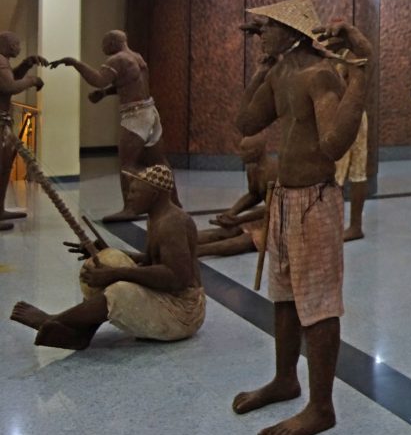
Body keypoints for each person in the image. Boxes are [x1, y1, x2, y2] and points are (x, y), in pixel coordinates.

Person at [231, 0, 369, 435]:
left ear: (290, 31)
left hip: (314, 201)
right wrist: (261, 70)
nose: (260, 34)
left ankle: (322, 407)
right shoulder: (282, 72)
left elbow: (333, 146)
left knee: (319, 304)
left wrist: (361, 74)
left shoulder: (319, 74)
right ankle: (285, 379)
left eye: (266, 27)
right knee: (285, 295)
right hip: (284, 199)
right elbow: (247, 122)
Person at [9, 165, 204, 350]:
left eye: (135, 192)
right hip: (169, 297)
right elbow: (153, 261)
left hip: (184, 314)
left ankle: (55, 320)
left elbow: (177, 278)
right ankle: (82, 331)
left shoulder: (172, 223)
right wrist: (108, 253)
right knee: (108, 259)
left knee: (120, 290)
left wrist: (115, 274)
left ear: (154, 195)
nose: (129, 197)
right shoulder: (158, 217)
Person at [49, 30, 177, 222]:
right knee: (160, 162)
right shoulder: (137, 57)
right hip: (150, 112)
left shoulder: (117, 59)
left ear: (112, 42)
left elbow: (98, 80)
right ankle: (174, 202)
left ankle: (130, 208)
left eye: (104, 44)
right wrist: (105, 94)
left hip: (135, 117)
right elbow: (130, 83)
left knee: (127, 164)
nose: (103, 49)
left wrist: (75, 63)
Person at [197, 134, 277, 258]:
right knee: (229, 231)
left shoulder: (272, 171)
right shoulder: (252, 168)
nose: (240, 153)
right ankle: (183, 241)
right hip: (265, 216)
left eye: (244, 150)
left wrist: (240, 219)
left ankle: (197, 251)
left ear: (257, 151)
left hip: (278, 221)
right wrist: (231, 213)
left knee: (245, 240)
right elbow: (254, 195)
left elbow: (274, 208)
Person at [0, 31, 46, 231]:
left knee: (4, 167)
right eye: (16, 43)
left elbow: (10, 78)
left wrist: (26, 64)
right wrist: (32, 80)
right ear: (6, 44)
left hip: (3, 121)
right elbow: (8, 85)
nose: (18, 47)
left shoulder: (3, 61)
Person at [334, 109, 369, 241]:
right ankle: (354, 225)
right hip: (350, 113)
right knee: (355, 170)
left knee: (338, 173)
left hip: (344, 114)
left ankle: (353, 226)